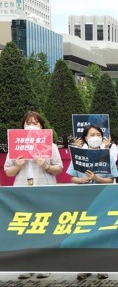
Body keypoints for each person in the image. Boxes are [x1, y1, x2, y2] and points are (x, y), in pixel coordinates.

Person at [4, 111, 63, 280]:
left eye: (36, 123)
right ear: (22, 127)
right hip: (22, 191)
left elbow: (58, 168)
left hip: (45, 189)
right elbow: (9, 172)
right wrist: (17, 165)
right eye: (28, 123)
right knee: (24, 228)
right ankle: (26, 265)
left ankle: (44, 265)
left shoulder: (50, 146)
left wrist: (46, 165)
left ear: (42, 126)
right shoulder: (16, 146)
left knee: (44, 227)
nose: (32, 126)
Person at [66, 125, 118, 280]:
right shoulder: (79, 155)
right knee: (83, 233)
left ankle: (102, 266)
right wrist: (81, 180)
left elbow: (111, 180)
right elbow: (71, 177)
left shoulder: (106, 155)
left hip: (103, 198)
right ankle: (84, 266)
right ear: (86, 138)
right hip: (83, 198)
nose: (95, 137)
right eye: (91, 134)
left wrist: (97, 179)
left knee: (101, 233)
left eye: (98, 134)